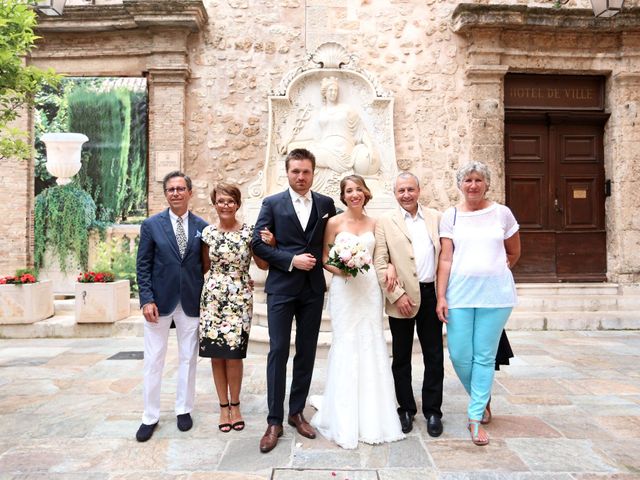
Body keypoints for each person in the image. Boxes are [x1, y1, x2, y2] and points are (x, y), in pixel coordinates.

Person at [251, 148, 337, 453]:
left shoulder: (326, 204)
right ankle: (274, 420)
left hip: (313, 289)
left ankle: (296, 412)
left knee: (306, 351)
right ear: (287, 173)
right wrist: (289, 259)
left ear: (314, 173)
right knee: (277, 351)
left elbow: (337, 238)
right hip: (282, 288)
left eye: (306, 172)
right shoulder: (272, 203)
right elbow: (256, 244)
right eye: (295, 171)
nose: (301, 177)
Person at [309, 175, 404, 449]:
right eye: (349, 190)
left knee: (371, 342)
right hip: (344, 289)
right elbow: (325, 258)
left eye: (358, 190)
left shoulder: (376, 223)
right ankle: (344, 414)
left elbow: (382, 256)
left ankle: (375, 413)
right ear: (343, 195)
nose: (354, 194)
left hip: (369, 289)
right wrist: (341, 269)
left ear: (366, 193)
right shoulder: (334, 223)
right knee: (346, 342)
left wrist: (393, 268)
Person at [435, 161, 521, 446]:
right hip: (459, 295)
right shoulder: (452, 216)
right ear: (460, 184)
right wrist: (441, 295)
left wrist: (493, 271)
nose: (473, 185)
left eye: (478, 180)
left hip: (496, 297)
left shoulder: (502, 213)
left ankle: (475, 418)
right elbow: (446, 258)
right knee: (459, 355)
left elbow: (514, 251)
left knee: (484, 356)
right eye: (468, 180)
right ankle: (481, 397)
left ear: (486, 183)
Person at [135, 171, 209, 442]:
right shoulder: (152, 225)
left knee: (188, 358)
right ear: (165, 194)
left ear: (190, 192)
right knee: (154, 359)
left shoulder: (203, 226)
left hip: (191, 301)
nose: (175, 193)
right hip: (159, 302)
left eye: (180, 189)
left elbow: (206, 265)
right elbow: (142, 265)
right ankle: (150, 416)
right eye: (170, 190)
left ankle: (183, 409)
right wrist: (146, 299)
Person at [373, 172, 445, 437]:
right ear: (395, 193)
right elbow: (380, 262)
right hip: (400, 297)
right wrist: (397, 296)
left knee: (434, 356)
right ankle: (405, 409)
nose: (406, 194)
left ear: (419, 190)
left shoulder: (436, 217)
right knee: (401, 357)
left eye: (410, 189)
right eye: (401, 190)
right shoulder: (385, 222)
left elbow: (447, 255)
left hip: (430, 296)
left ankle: (433, 412)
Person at [199, 183, 269, 433]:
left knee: (234, 354)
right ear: (215, 204)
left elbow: (262, 265)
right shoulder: (207, 233)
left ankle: (236, 406)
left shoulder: (250, 232)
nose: (225, 205)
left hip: (240, 298)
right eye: (221, 201)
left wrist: (269, 244)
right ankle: (222, 407)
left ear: (238, 204)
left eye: (230, 201)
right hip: (213, 298)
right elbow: (204, 267)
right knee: (217, 355)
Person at [283, 77, 379, 176]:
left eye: (335, 90)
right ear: (325, 92)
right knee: (291, 147)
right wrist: (287, 142)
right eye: (331, 90)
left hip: (341, 151)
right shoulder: (322, 112)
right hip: (324, 146)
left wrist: (371, 148)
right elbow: (313, 135)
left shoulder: (347, 109)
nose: (333, 93)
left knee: (304, 155)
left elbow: (361, 131)